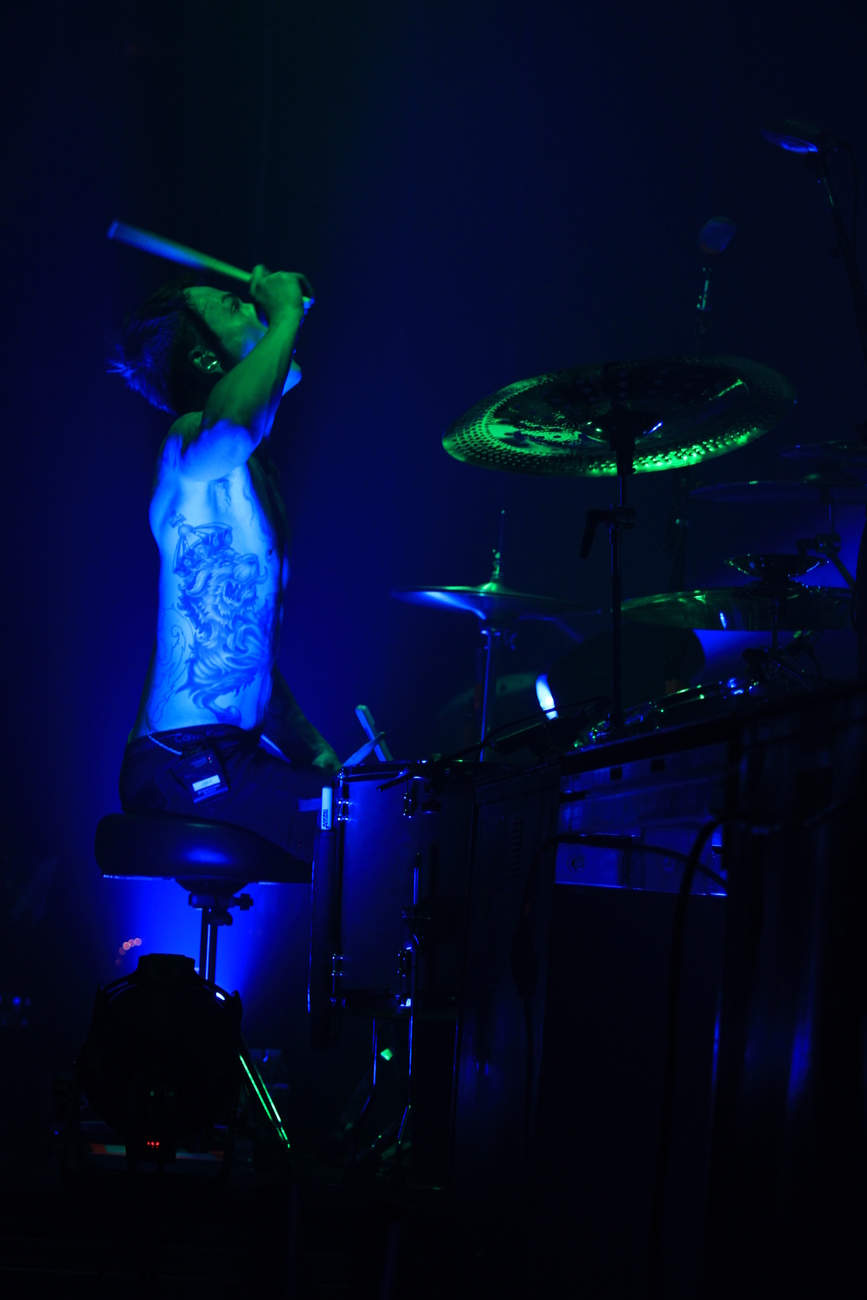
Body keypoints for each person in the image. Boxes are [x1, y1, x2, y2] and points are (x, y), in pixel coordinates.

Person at [110, 266, 339, 863]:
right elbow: (234, 424)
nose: (253, 309)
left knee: (369, 804)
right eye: (236, 308)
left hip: (225, 753)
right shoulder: (189, 443)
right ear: (208, 363)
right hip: (182, 760)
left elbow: (239, 643)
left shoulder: (253, 470)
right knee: (365, 833)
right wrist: (285, 315)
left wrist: (307, 744)